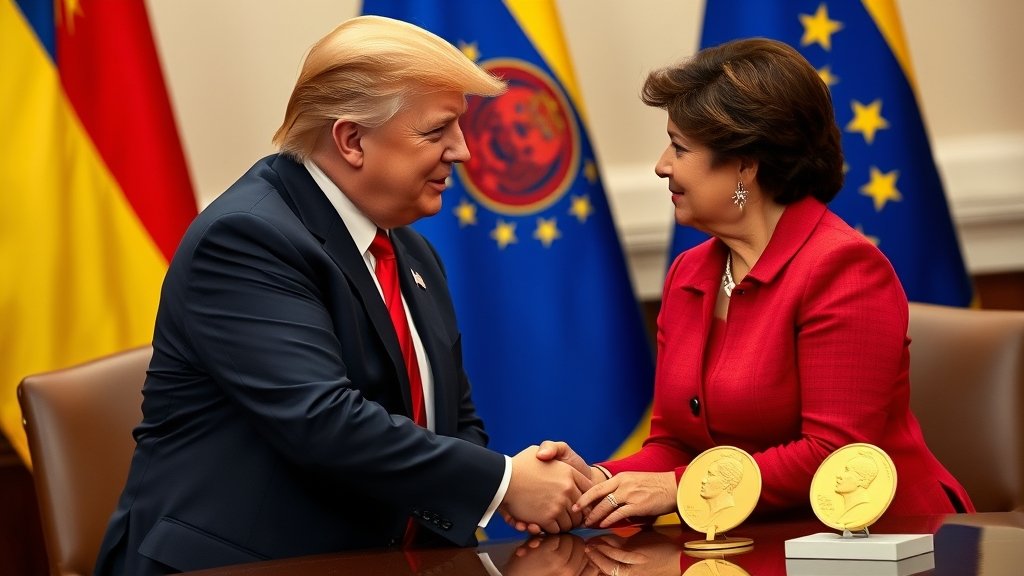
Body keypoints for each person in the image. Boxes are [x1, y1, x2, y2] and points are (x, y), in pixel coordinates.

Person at [94, 15, 591, 575]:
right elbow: (322, 420)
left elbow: (454, 419)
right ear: (351, 139)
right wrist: (504, 483)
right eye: (437, 131)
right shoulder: (247, 238)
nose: (463, 152)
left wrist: (534, 482)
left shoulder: (408, 250)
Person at [531, 37, 974, 530]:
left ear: (746, 162)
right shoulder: (690, 273)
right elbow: (675, 445)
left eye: (680, 148)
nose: (662, 166)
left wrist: (679, 488)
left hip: (881, 541)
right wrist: (593, 484)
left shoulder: (843, 269)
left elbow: (835, 454)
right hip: (759, 541)